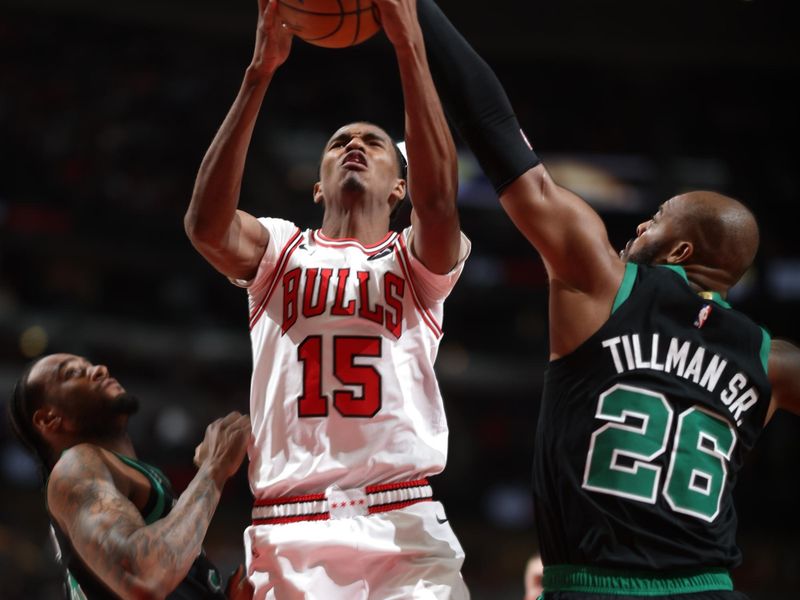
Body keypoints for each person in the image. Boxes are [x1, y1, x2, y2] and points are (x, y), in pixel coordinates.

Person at [415, 1, 800, 598]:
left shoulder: (603, 284)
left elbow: (495, 131)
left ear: (678, 252)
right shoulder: (772, 363)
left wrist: (417, 11)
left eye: (653, 222)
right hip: (712, 587)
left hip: (595, 586)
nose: (637, 229)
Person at [183, 0, 470, 597]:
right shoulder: (280, 250)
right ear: (317, 186)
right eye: (340, 141)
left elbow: (440, 204)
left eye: (374, 141)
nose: (355, 145)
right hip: (292, 526)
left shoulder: (414, 258)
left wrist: (409, 45)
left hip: (402, 524)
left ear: (400, 185)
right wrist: (257, 75)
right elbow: (207, 228)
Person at [6, 352, 253, 600]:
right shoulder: (76, 466)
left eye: (90, 365)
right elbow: (139, 577)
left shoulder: (124, 474)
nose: (100, 369)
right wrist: (213, 469)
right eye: (72, 373)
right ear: (49, 418)